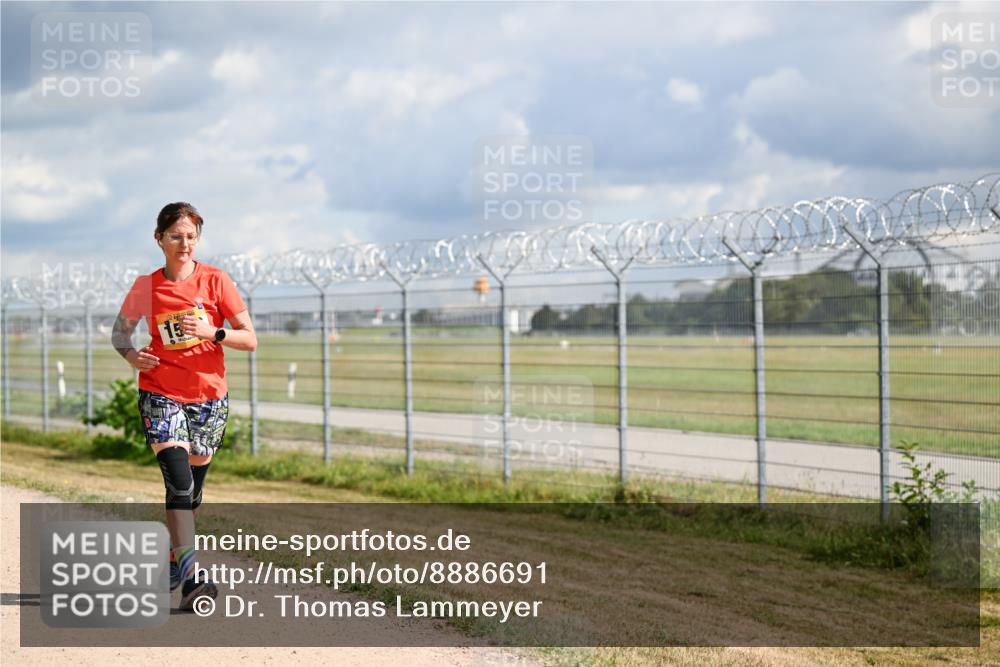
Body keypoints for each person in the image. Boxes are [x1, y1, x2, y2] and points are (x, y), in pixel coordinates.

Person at [112, 202, 257, 611]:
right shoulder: (146, 286)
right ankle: (193, 577)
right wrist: (131, 356)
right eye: (176, 235)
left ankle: (176, 556)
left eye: (191, 236)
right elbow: (119, 335)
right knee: (177, 480)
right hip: (160, 391)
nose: (184, 244)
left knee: (192, 491)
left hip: (209, 397)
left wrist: (214, 331)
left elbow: (250, 339)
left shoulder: (216, 281)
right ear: (158, 238)